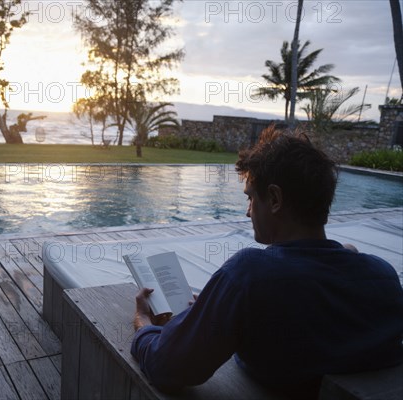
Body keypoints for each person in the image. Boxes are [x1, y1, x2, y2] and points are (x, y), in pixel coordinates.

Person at [131, 127, 403, 399]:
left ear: (274, 199)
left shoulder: (250, 275)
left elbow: (167, 368)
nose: (247, 211)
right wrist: (217, 308)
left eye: (250, 197)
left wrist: (144, 324)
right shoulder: (384, 277)